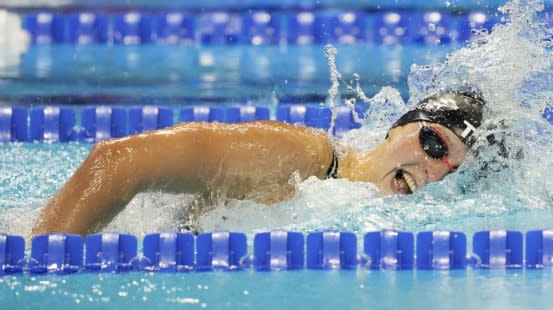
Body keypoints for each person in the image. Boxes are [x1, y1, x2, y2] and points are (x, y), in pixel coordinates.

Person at [32, 92, 485, 236]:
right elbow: (116, 161)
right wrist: (44, 264)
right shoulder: (298, 157)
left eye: (452, 170)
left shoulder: (373, 215)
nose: (433, 170)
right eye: (433, 143)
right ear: (398, 128)